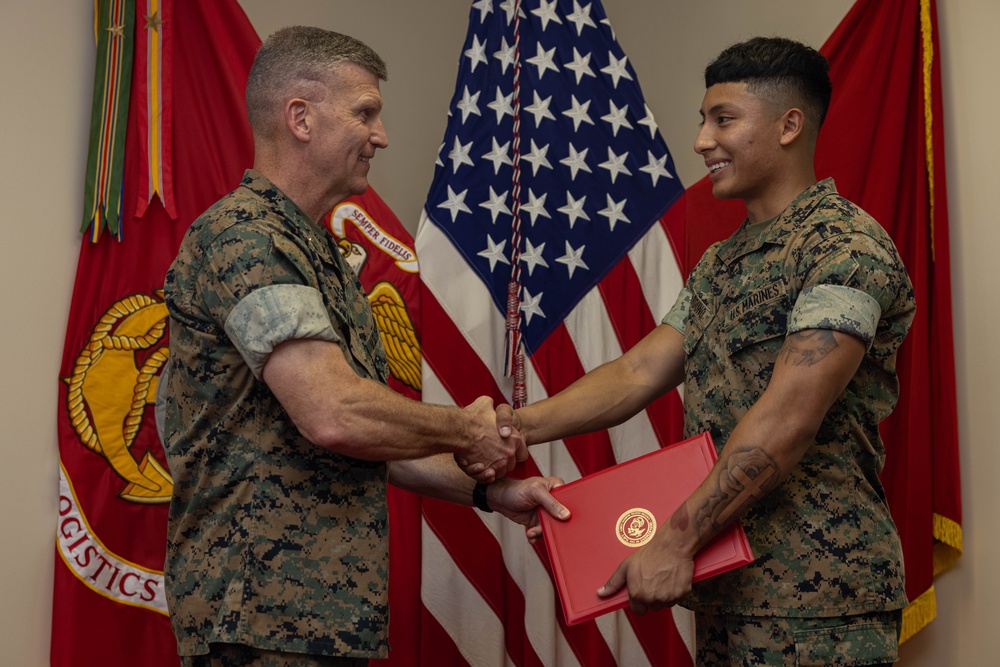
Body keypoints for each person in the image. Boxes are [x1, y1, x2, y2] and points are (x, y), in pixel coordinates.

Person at [489, 37, 914, 665]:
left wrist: (675, 542)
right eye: (703, 120)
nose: (702, 142)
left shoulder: (843, 246)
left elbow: (790, 418)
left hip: (817, 595)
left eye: (725, 120)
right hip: (727, 581)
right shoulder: (724, 262)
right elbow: (637, 373)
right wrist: (512, 426)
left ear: (789, 125)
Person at [160, 26, 569, 667]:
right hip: (258, 618)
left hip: (313, 619)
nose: (380, 136)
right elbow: (334, 413)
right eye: (365, 113)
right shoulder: (243, 238)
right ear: (300, 117)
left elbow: (356, 444)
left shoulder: (313, 249)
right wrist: (465, 429)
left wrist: (489, 493)